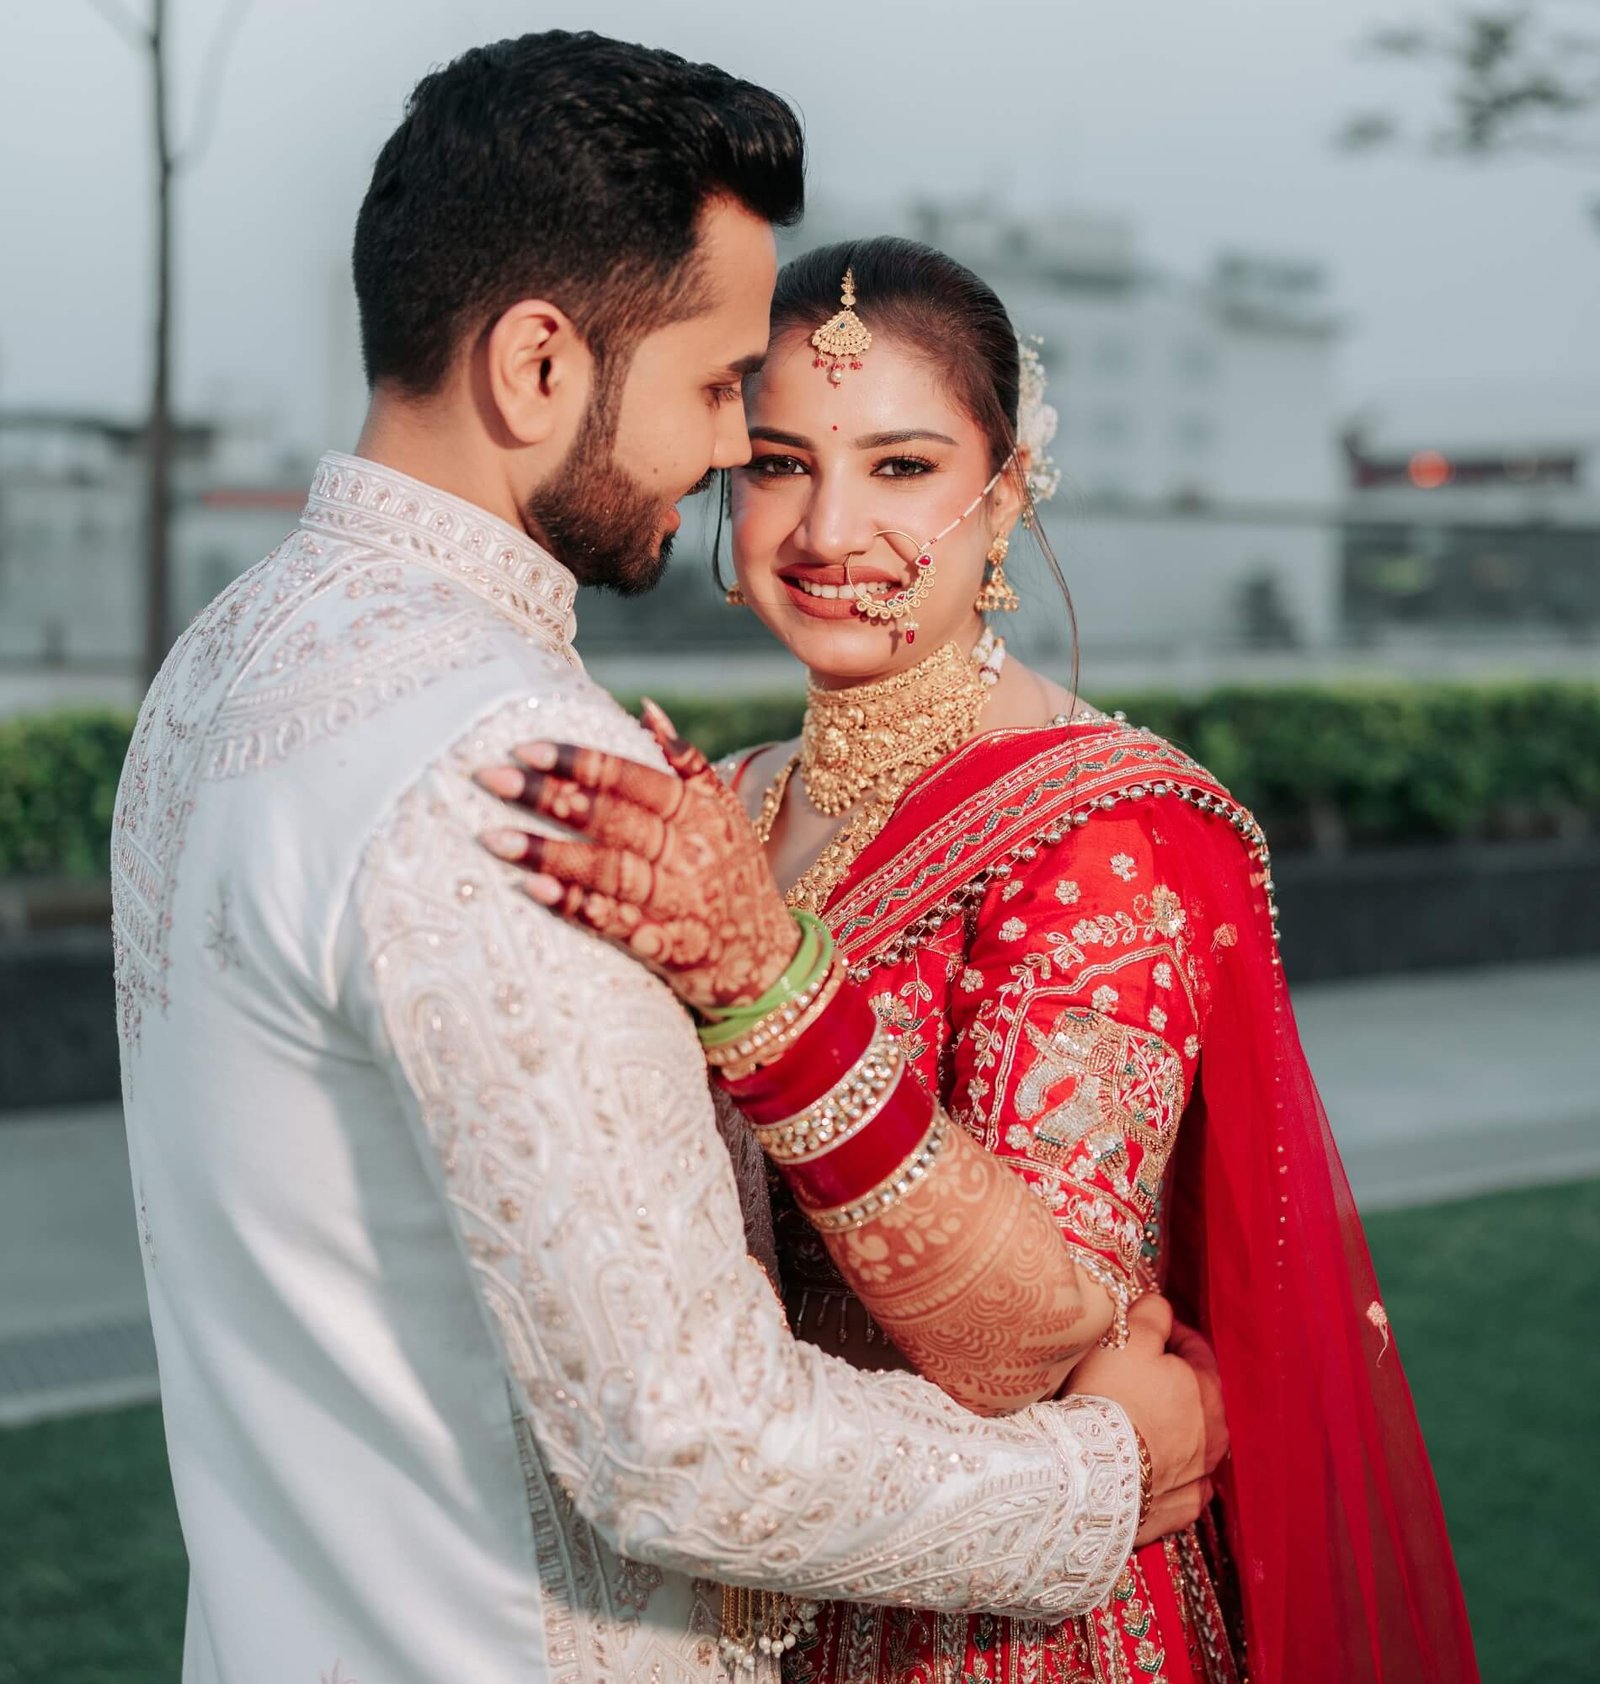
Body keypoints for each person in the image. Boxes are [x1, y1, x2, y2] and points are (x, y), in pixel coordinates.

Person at [110, 38, 1223, 1684]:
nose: (735, 468)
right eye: (731, 405)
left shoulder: (221, 664)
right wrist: (1108, 1475)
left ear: (1005, 493)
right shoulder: (532, 772)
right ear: (539, 366)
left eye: (901, 465)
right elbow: (686, 1444)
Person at [480, 237, 1482, 1683]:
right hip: (746, 1561)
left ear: (1004, 494)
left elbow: (1029, 1344)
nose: (829, 529)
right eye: (777, 462)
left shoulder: (1099, 828)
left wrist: (767, 985)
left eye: (901, 469)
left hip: (1003, 1619)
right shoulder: (739, 801)